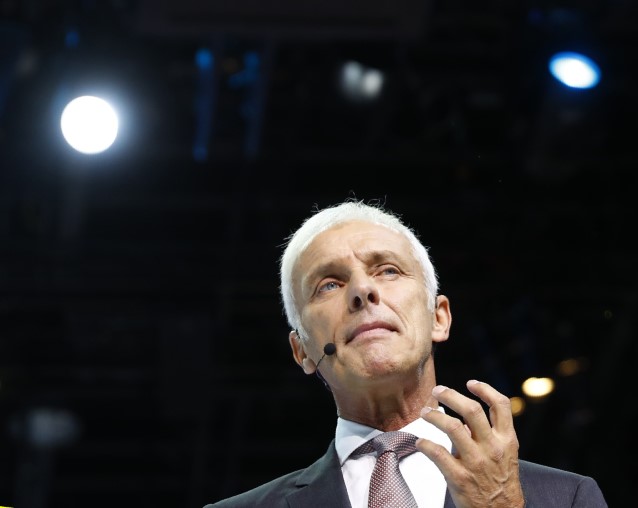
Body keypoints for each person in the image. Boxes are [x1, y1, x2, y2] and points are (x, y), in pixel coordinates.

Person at [205, 199, 607, 508]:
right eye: (328, 284)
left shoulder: (568, 497)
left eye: (388, 271)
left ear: (439, 317)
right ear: (302, 351)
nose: (363, 291)